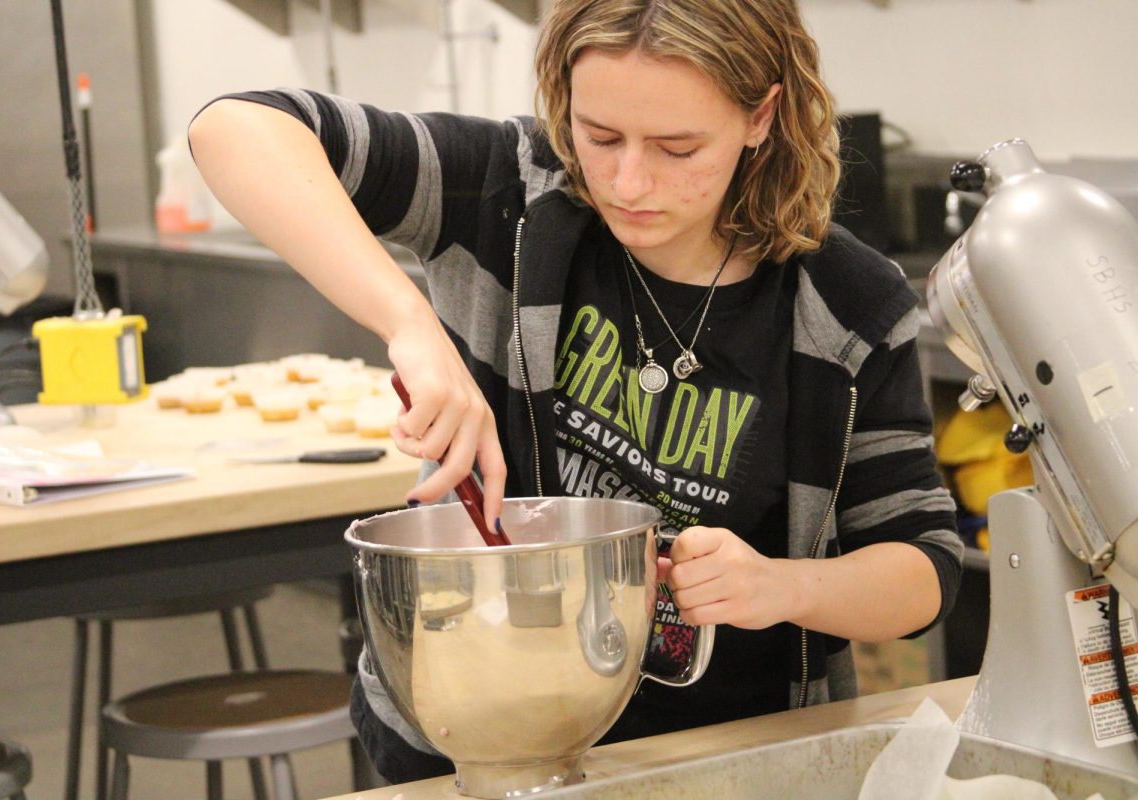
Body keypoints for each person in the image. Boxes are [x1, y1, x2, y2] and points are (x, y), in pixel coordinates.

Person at [189, 0, 962, 784]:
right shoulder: (505, 193)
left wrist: (778, 585)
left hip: (727, 758)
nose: (630, 181)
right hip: (469, 735)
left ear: (761, 116)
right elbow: (235, 128)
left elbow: (924, 571)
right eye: (600, 137)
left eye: (677, 146)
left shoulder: (846, 304)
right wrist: (409, 325)